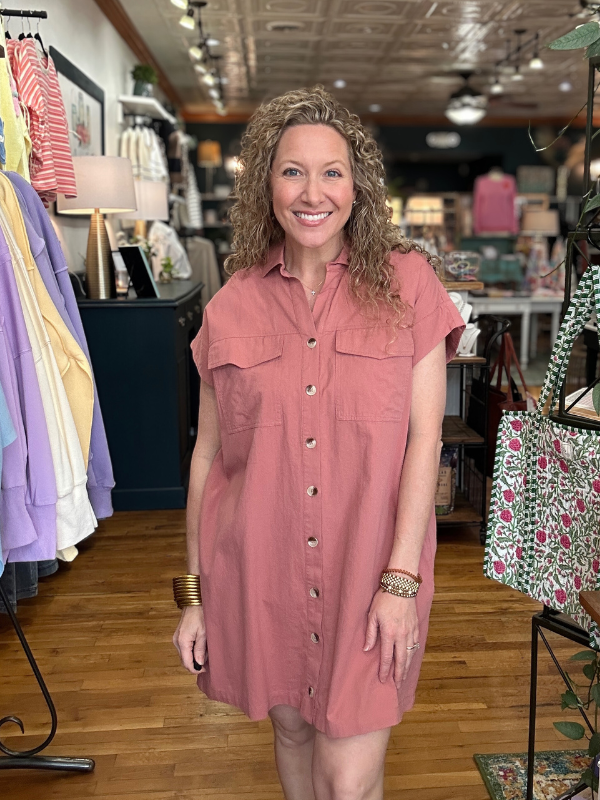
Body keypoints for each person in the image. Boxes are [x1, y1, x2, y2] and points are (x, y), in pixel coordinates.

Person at [173, 85, 465, 800]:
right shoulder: (230, 304)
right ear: (265, 184)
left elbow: (424, 437)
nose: (313, 192)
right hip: (258, 573)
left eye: (332, 171)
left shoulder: (409, 287)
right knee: (294, 733)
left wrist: (402, 582)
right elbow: (209, 458)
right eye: (292, 170)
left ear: (357, 186)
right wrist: (192, 594)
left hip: (372, 573)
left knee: (346, 777)